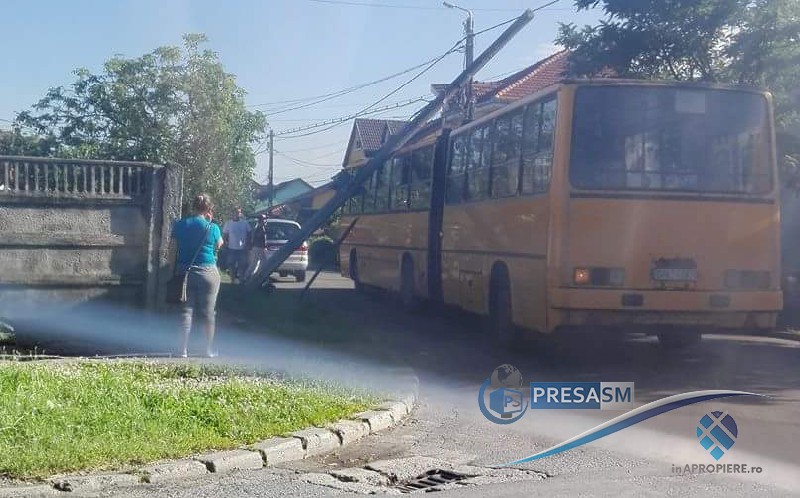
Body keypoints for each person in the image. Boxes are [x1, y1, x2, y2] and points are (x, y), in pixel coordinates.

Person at [171, 194, 223, 358]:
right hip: (208, 273)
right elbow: (219, 244)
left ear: (193, 207)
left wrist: (175, 269)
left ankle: (182, 351)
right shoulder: (212, 227)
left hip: (185, 272)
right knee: (208, 313)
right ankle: (207, 350)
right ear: (208, 209)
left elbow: (172, 249)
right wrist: (210, 220)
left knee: (186, 312)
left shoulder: (181, 224)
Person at [222, 207, 252, 283]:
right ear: (232, 213)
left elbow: (249, 233)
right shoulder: (228, 223)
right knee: (231, 266)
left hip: (242, 249)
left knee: (242, 266)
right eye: (236, 212)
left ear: (240, 213)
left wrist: (248, 243)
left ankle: (241, 281)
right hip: (231, 248)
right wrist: (225, 243)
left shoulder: (245, 223)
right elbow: (225, 235)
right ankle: (232, 281)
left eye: (239, 212)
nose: (237, 214)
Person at [244, 213, 270, 283]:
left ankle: (247, 276)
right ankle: (257, 277)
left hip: (257, 247)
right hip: (258, 248)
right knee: (264, 263)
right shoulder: (259, 228)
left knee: (254, 263)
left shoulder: (259, 227)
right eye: (264, 220)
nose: (265, 221)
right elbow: (258, 237)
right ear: (261, 220)